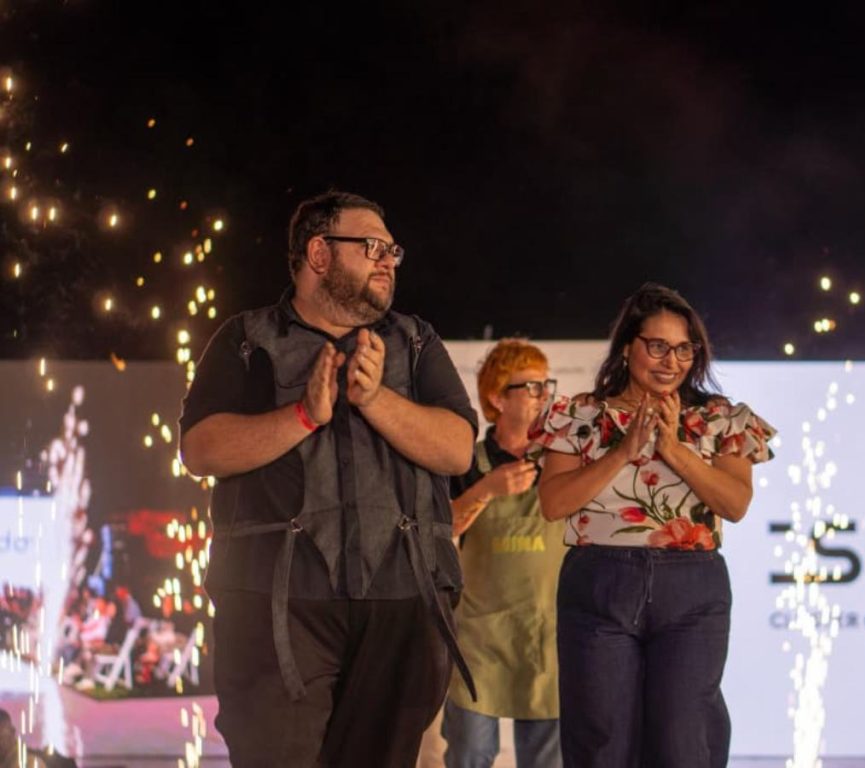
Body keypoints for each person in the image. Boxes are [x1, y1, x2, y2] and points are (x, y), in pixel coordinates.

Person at [179, 190, 477, 767]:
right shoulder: (245, 339)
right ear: (319, 254)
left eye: (392, 250)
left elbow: (457, 449)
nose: (389, 259)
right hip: (275, 605)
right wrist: (303, 416)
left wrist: (374, 399)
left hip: (402, 598)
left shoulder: (415, 343)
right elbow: (201, 448)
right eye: (372, 247)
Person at [531, 282, 775, 768]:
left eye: (684, 348)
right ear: (628, 347)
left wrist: (674, 450)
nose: (671, 360)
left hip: (692, 590)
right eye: (657, 346)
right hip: (599, 585)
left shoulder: (719, 418)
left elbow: (734, 503)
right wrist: (623, 451)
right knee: (602, 741)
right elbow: (554, 503)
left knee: (683, 741)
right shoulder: (579, 415)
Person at [442, 340, 565, 768]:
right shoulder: (467, 462)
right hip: (481, 639)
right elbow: (442, 532)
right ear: (497, 397)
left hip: (546, 637)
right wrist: (486, 489)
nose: (543, 396)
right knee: (470, 754)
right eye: (531, 387)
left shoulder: (562, 462)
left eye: (545, 385)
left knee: (547, 762)